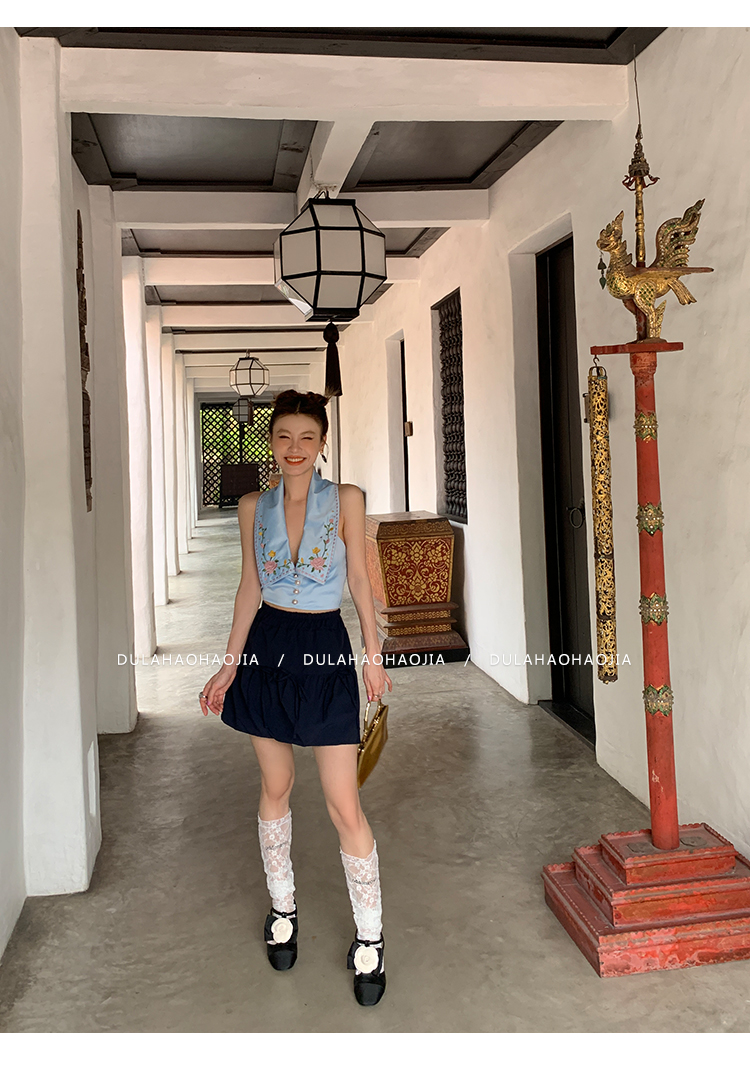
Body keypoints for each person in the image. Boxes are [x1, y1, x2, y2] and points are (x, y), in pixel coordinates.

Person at [199, 389, 392, 1007]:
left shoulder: (347, 499)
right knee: (276, 784)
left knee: (343, 801)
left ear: (323, 442)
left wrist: (372, 654)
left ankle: (370, 937)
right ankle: (282, 908)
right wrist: (229, 665)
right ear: (271, 441)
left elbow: (358, 577)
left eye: (307, 437)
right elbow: (248, 588)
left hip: (324, 646)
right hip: (268, 647)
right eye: (284, 435)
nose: (295, 448)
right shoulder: (252, 506)